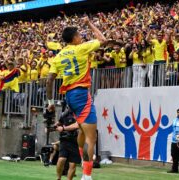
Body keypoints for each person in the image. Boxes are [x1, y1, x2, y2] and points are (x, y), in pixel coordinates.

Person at [46, 16, 113, 180]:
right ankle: (87, 175)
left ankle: (84, 162)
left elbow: (49, 80)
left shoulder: (58, 56)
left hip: (69, 96)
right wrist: (89, 23)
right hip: (81, 93)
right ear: (74, 38)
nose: (81, 37)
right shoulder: (81, 48)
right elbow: (103, 40)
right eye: (79, 35)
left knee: (82, 130)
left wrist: (50, 102)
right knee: (92, 137)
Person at [55, 103, 81, 180]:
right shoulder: (64, 115)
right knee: (61, 159)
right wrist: (55, 126)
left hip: (75, 141)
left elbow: (77, 125)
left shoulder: (80, 114)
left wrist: (63, 128)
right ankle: (58, 178)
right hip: (64, 140)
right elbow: (58, 123)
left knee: (72, 164)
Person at [167, 108, 179, 173]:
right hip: (174, 141)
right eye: (178, 112)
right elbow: (173, 131)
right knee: (174, 155)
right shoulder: (174, 120)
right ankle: (174, 169)